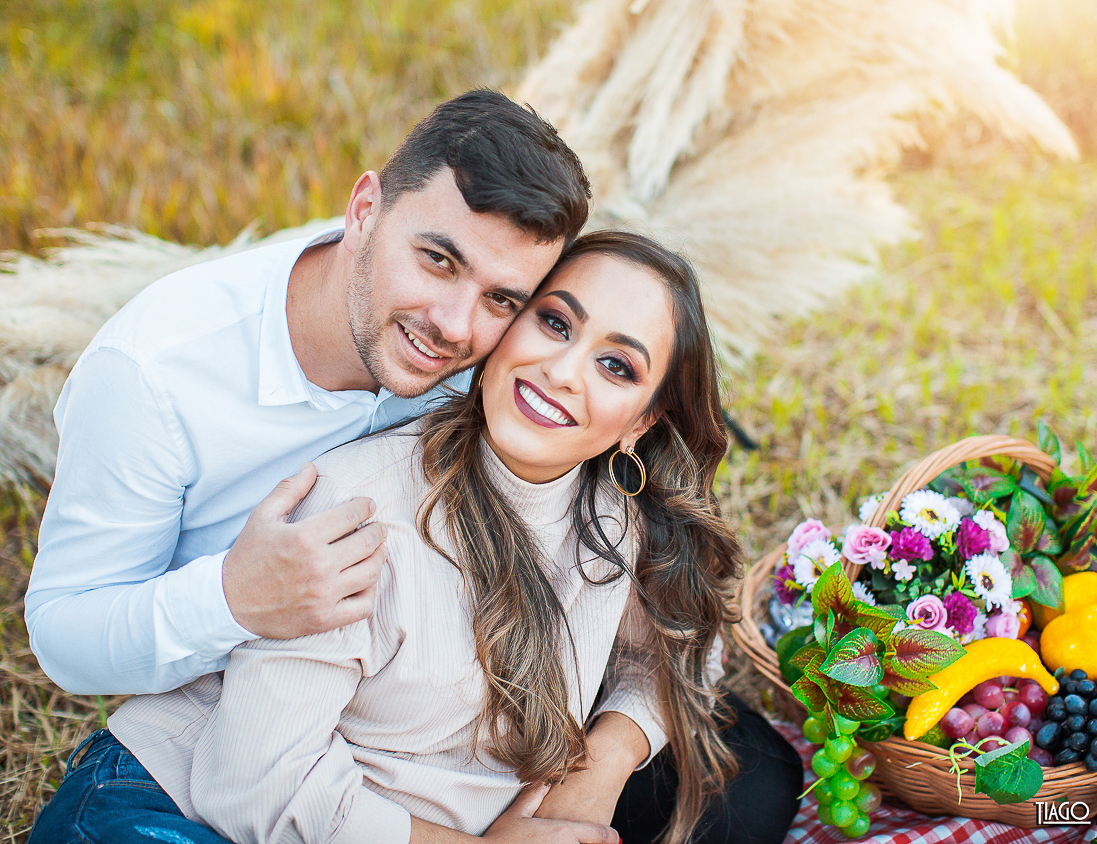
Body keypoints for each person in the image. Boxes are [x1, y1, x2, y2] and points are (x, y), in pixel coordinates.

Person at [29, 232, 805, 844]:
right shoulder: (356, 508)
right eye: (555, 321)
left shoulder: (610, 510)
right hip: (174, 808)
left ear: (642, 422)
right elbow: (255, 787)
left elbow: (683, 643)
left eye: (614, 364)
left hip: (384, 814)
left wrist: (600, 768)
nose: (565, 370)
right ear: (506, 325)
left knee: (754, 781)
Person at [24, 89, 590, 695]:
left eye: (501, 298)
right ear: (364, 209)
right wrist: (233, 598)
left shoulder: (512, 358)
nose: (454, 327)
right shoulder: (153, 372)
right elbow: (65, 635)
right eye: (437, 261)